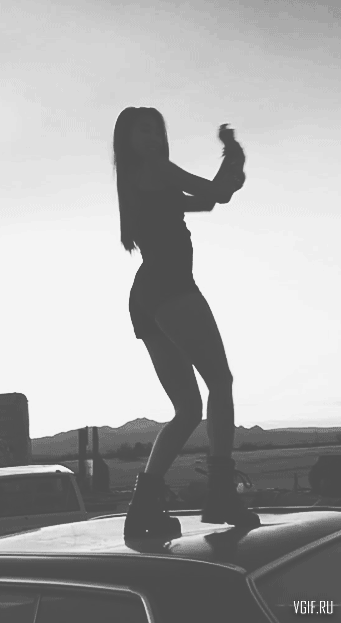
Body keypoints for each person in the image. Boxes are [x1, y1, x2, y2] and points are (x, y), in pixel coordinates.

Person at [112, 106, 261, 539]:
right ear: (126, 138)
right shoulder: (157, 170)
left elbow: (212, 200)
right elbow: (217, 192)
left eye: (157, 130)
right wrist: (233, 155)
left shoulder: (138, 180)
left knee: (188, 410)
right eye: (143, 130)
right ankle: (221, 492)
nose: (153, 137)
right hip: (172, 287)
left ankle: (142, 507)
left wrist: (231, 167)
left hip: (146, 298)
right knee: (221, 382)